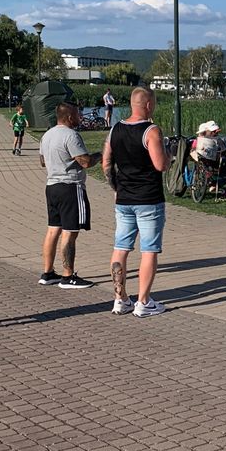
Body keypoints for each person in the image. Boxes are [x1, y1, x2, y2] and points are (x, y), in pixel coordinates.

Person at [102, 87, 171, 317]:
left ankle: (120, 299)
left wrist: (116, 188)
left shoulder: (115, 129)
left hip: (124, 199)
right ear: (149, 105)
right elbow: (160, 164)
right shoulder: (151, 131)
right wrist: (169, 155)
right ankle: (144, 301)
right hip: (149, 199)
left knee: (120, 247)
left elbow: (106, 163)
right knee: (149, 250)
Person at [39, 102, 101, 289]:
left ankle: (48, 272)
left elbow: (42, 161)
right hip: (70, 187)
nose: (80, 117)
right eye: (77, 114)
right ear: (68, 117)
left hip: (52, 186)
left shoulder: (47, 135)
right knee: (70, 232)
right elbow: (84, 162)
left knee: (53, 230)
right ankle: (68, 276)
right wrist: (99, 155)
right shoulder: (71, 135)